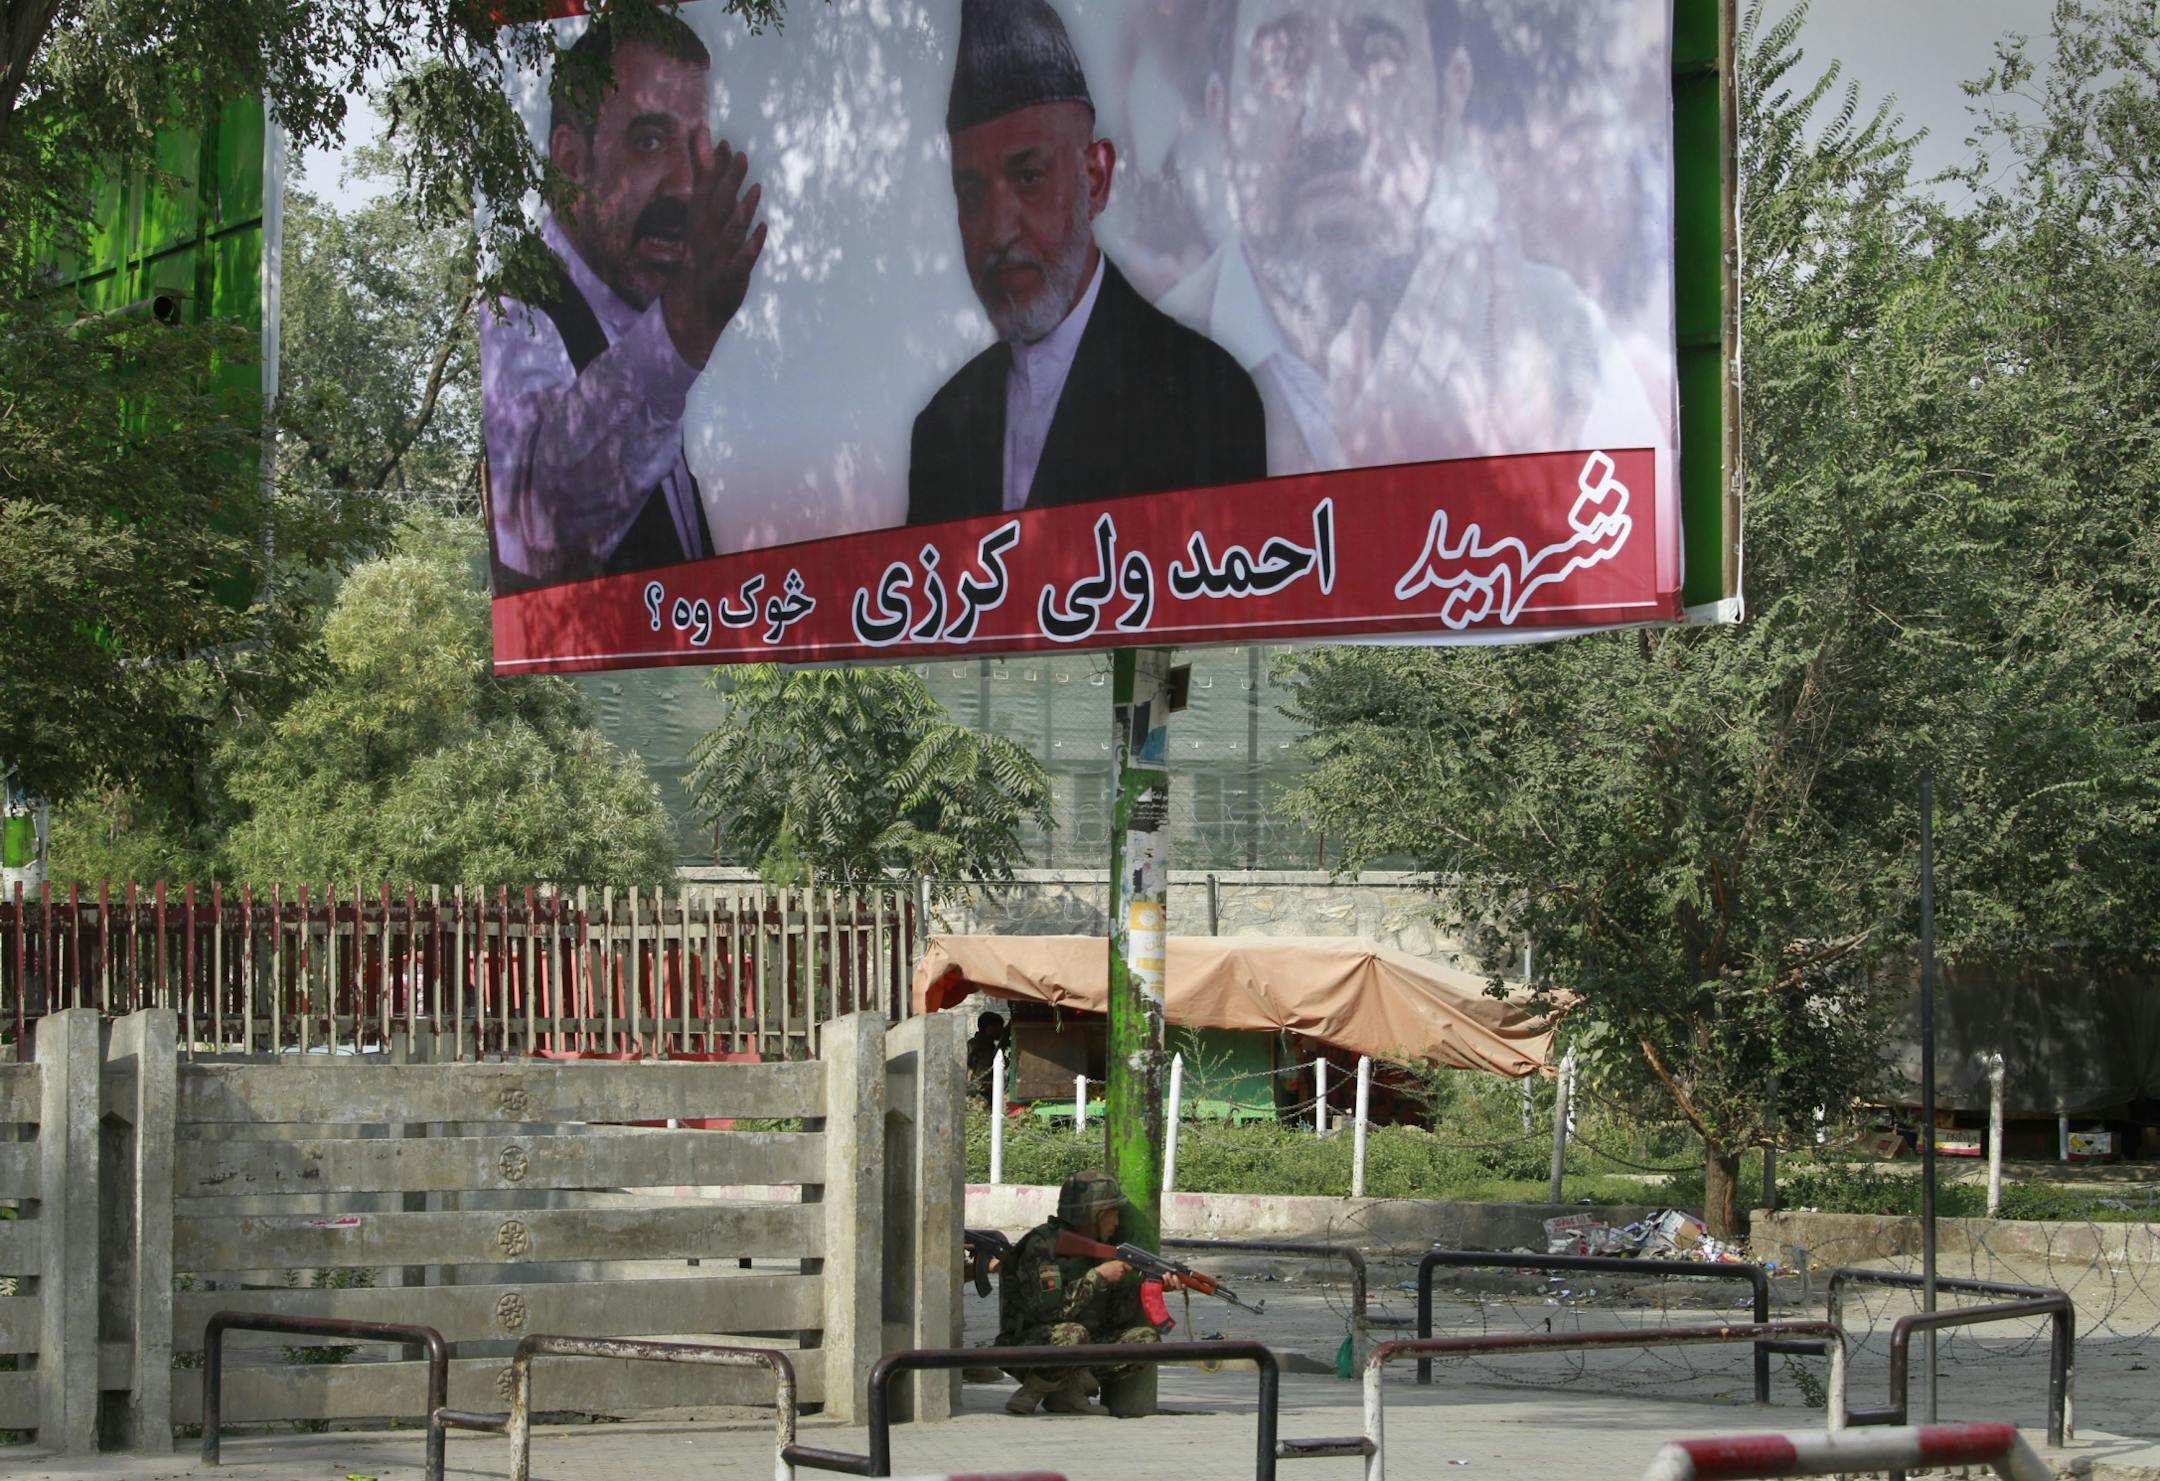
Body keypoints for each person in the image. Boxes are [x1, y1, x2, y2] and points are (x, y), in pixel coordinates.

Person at [1160, 0, 1657, 477]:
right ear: (1221, 114)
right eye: (1280, 59)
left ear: (1451, 96)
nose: (1330, 123)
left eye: (1378, 56)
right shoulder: (1137, 376)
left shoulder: (1555, 336)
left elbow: (1646, 556)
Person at [907, 0, 1266, 529]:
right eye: (973, 192)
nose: (1000, 230)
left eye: (1029, 177)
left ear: (1095, 178)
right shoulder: (943, 429)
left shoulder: (1204, 397)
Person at [481, 12, 768, 590]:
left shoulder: (628, 302)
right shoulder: (518, 306)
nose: (686, 185)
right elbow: (541, 522)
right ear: (569, 163)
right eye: (650, 142)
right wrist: (682, 328)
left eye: (695, 146)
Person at [996, 1170, 1161, 1416]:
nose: (1117, 1221)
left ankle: (1066, 1391)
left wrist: (1151, 1285)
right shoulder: (1044, 1246)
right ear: (1092, 1214)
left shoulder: (1101, 1250)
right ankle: (1033, 1389)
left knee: (1146, 1340)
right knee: (1074, 1335)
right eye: (1112, 1213)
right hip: (1029, 1345)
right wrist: (1098, 1277)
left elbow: (1116, 1319)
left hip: (1081, 1346)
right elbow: (1048, 1311)